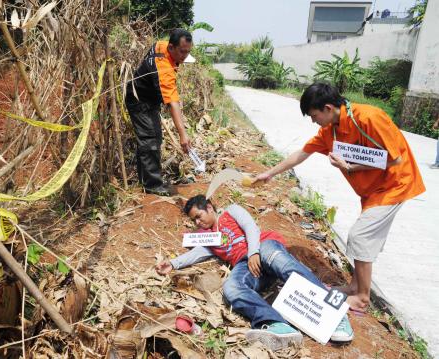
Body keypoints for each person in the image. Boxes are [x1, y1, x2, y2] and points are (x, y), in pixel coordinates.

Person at [252, 83, 426, 311]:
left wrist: (350, 167)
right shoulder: (330, 132)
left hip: (395, 184)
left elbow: (395, 160)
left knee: (360, 236)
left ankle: (362, 297)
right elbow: (301, 154)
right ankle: (355, 286)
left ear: (327, 108)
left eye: (314, 116)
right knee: (366, 238)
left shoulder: (370, 118)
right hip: (371, 192)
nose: (314, 122)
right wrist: (269, 173)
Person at [155, 195, 353, 351]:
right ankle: (276, 324)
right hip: (246, 266)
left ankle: (336, 315)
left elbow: (251, 227)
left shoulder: (230, 211)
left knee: (284, 265)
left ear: (209, 207)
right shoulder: (207, 237)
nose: (197, 222)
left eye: (199, 216)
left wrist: (253, 253)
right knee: (232, 289)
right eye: (193, 220)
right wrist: (173, 264)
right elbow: (198, 253)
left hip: (262, 247)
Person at [125, 28, 193, 196]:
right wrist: (182, 135)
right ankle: (152, 185)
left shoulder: (163, 46)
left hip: (150, 99)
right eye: (182, 52)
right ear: (171, 48)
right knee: (150, 140)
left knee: (155, 137)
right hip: (139, 100)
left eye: (188, 52)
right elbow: (173, 103)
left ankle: (146, 178)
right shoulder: (163, 69)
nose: (185, 56)